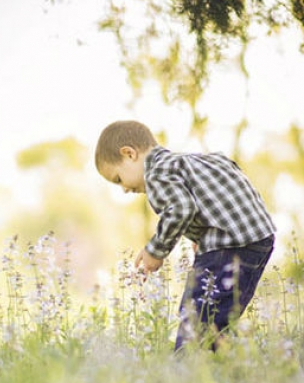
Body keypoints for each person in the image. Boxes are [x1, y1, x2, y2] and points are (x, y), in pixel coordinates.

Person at [94, 120, 276, 351]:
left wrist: (155, 251)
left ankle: (187, 370)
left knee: (196, 319)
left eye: (118, 179)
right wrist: (200, 237)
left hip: (229, 244)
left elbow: (180, 209)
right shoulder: (188, 161)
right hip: (258, 237)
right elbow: (211, 195)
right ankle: (232, 365)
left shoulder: (157, 172)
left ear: (129, 154)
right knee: (219, 317)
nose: (124, 189)